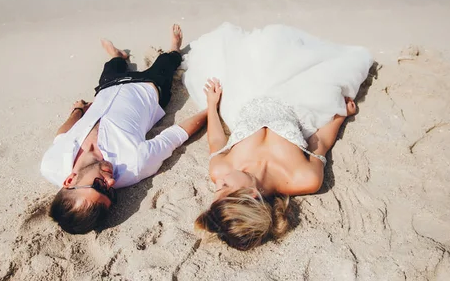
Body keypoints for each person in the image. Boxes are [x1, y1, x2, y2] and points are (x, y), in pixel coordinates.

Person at [181, 23, 373, 251]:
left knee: (264, 42)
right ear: (252, 194)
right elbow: (319, 145)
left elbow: (216, 141)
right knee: (333, 64)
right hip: (295, 102)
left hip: (246, 98)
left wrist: (212, 106)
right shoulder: (303, 178)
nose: (217, 183)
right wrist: (340, 118)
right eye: (224, 188)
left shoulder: (220, 170)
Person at [41, 24, 207, 234]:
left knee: (112, 67)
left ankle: (117, 55)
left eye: (100, 186)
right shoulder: (134, 164)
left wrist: (77, 111)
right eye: (111, 194)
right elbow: (176, 135)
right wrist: (211, 110)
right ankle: (175, 47)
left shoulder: (50, 165)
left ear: (70, 180)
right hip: (149, 88)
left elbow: (62, 135)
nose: (111, 182)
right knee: (168, 61)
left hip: (107, 89)